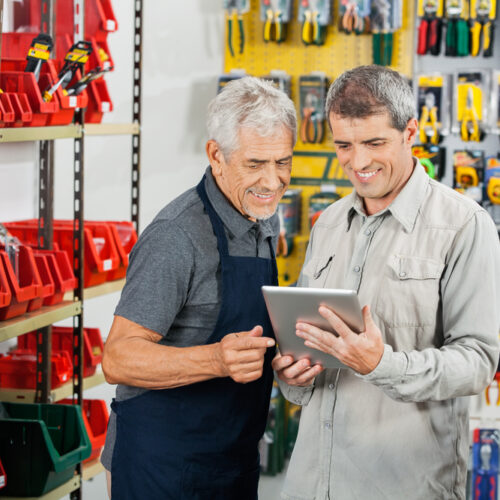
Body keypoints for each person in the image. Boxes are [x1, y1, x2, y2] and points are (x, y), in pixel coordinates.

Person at [273, 65, 500, 500]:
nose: (358, 162)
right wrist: (293, 374)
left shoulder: (464, 226)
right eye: (344, 145)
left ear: (410, 130)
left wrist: (381, 364)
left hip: (401, 486)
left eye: (375, 143)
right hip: (310, 484)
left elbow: (477, 363)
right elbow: (301, 354)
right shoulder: (329, 224)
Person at [101, 76, 297, 499]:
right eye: (255, 164)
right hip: (161, 469)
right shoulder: (176, 236)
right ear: (216, 155)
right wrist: (216, 359)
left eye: (283, 162)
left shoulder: (263, 218)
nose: (273, 181)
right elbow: (117, 358)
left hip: (232, 464)